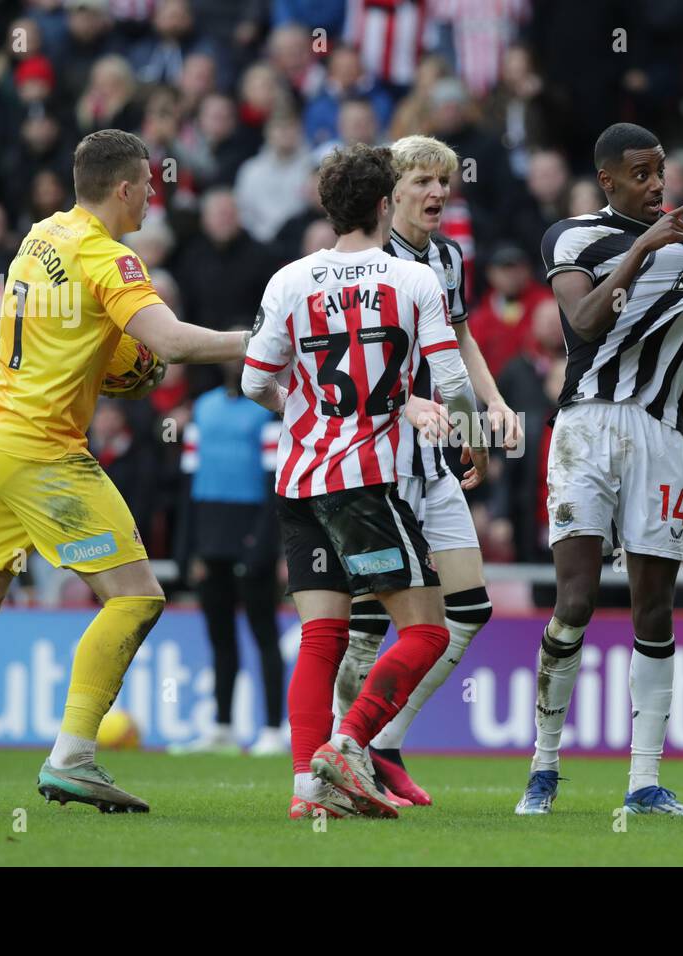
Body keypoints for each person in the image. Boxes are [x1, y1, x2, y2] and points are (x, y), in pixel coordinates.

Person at [0, 129, 250, 813]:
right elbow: (168, 342)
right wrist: (257, 343)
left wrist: (114, 364)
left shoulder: (42, 236)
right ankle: (74, 758)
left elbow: (64, 332)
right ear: (126, 188)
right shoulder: (113, 259)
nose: (155, 195)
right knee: (137, 596)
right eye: (149, 185)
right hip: (40, 449)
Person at [241, 143, 486, 820]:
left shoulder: (289, 279)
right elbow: (456, 380)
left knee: (322, 637)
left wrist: (308, 411)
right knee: (429, 631)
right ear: (385, 205)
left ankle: (305, 793)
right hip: (365, 483)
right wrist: (468, 436)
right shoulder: (411, 283)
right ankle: (350, 744)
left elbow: (254, 380)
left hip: (298, 481)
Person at [515, 122, 683, 817]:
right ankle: (544, 768)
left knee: (655, 609)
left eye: (660, 170)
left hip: (663, 436)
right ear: (607, 179)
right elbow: (581, 322)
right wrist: (643, 248)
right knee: (575, 601)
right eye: (639, 173)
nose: (655, 184)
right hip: (586, 425)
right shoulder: (572, 236)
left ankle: (644, 783)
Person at [330, 135, 519, 806]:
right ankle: (340, 755)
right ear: (391, 191)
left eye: (444, 180)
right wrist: (406, 403)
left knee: (469, 608)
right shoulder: (366, 260)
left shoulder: (446, 256)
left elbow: (460, 339)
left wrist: (487, 409)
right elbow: (345, 365)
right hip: (370, 461)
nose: (438, 192)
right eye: (423, 181)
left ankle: (378, 742)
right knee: (368, 629)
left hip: (427, 458)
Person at [172, 341, 286, 756]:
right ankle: (222, 726)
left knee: (263, 633)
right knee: (219, 636)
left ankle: (273, 728)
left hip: (251, 533)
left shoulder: (269, 410)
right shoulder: (202, 409)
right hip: (211, 534)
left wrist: (265, 543)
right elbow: (189, 481)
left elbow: (277, 483)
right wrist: (188, 548)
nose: (234, 362)